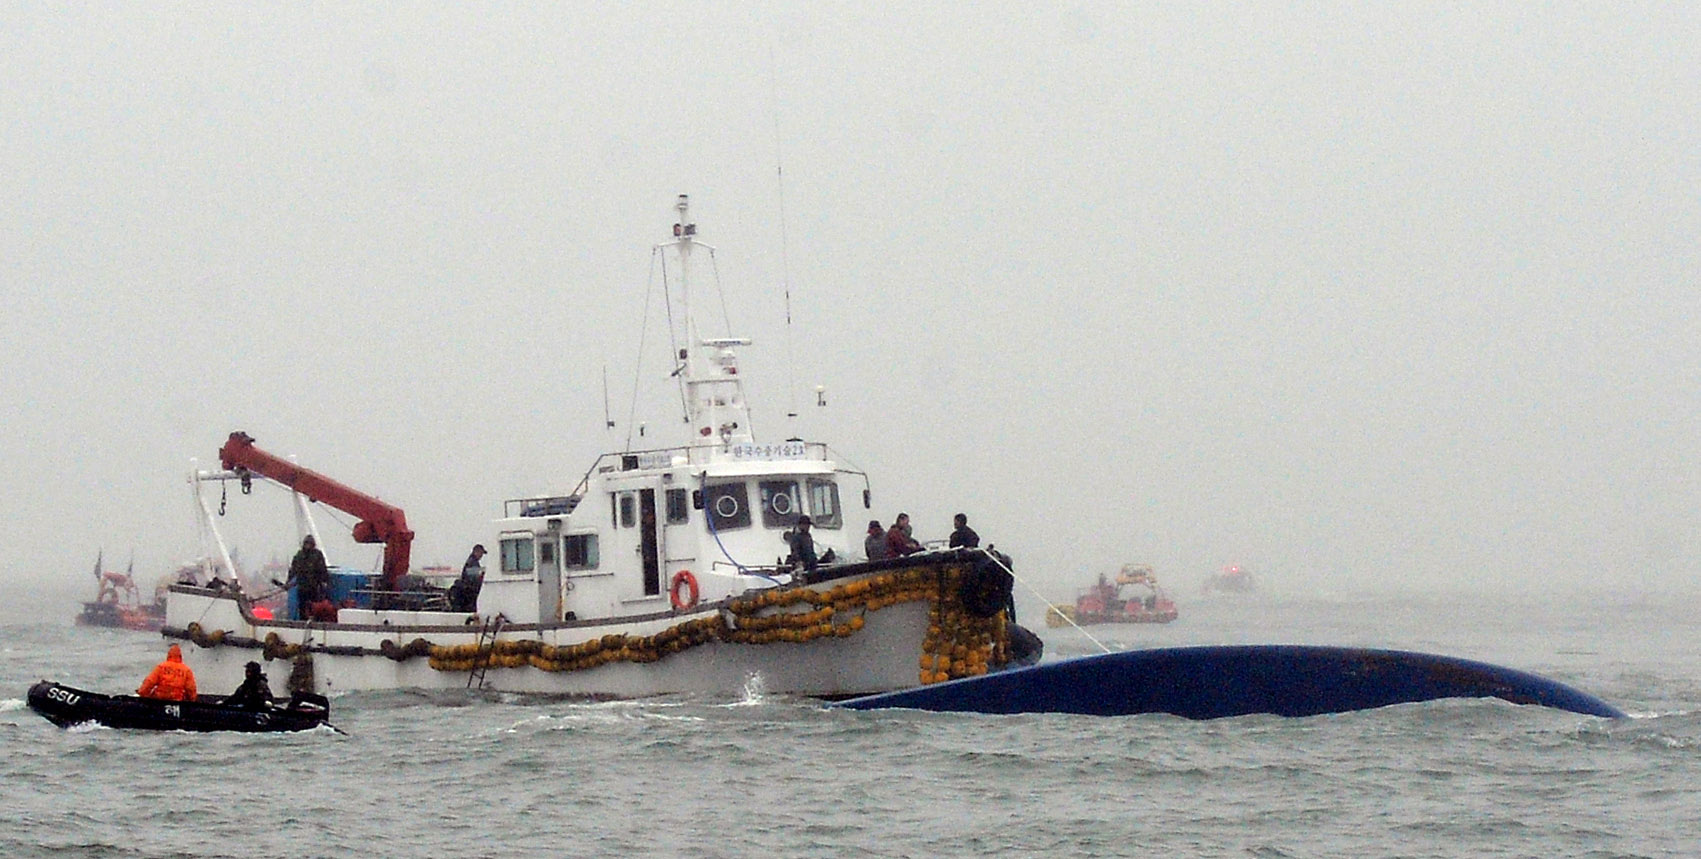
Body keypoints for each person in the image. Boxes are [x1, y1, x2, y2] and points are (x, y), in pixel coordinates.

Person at [285, 535, 331, 620]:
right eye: (306, 543)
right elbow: (293, 570)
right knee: (302, 607)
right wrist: (288, 582)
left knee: (314, 608)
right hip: (302, 588)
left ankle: (313, 621)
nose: (308, 545)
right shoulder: (299, 556)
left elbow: (322, 570)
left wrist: (325, 581)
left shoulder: (317, 555)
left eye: (309, 543)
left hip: (314, 588)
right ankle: (304, 621)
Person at [450, 544, 487, 612]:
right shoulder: (472, 562)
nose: (481, 555)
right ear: (476, 552)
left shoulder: (472, 561)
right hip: (469, 592)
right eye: (481, 553)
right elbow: (474, 577)